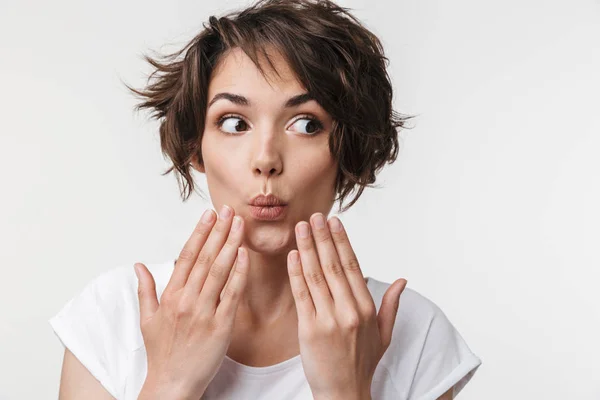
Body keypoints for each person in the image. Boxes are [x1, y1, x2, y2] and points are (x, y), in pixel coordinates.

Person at [48, 0, 482, 399]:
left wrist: (346, 390)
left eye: (307, 125)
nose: (266, 160)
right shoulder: (113, 316)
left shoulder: (412, 332)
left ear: (347, 149)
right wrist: (169, 382)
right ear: (196, 148)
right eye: (235, 123)